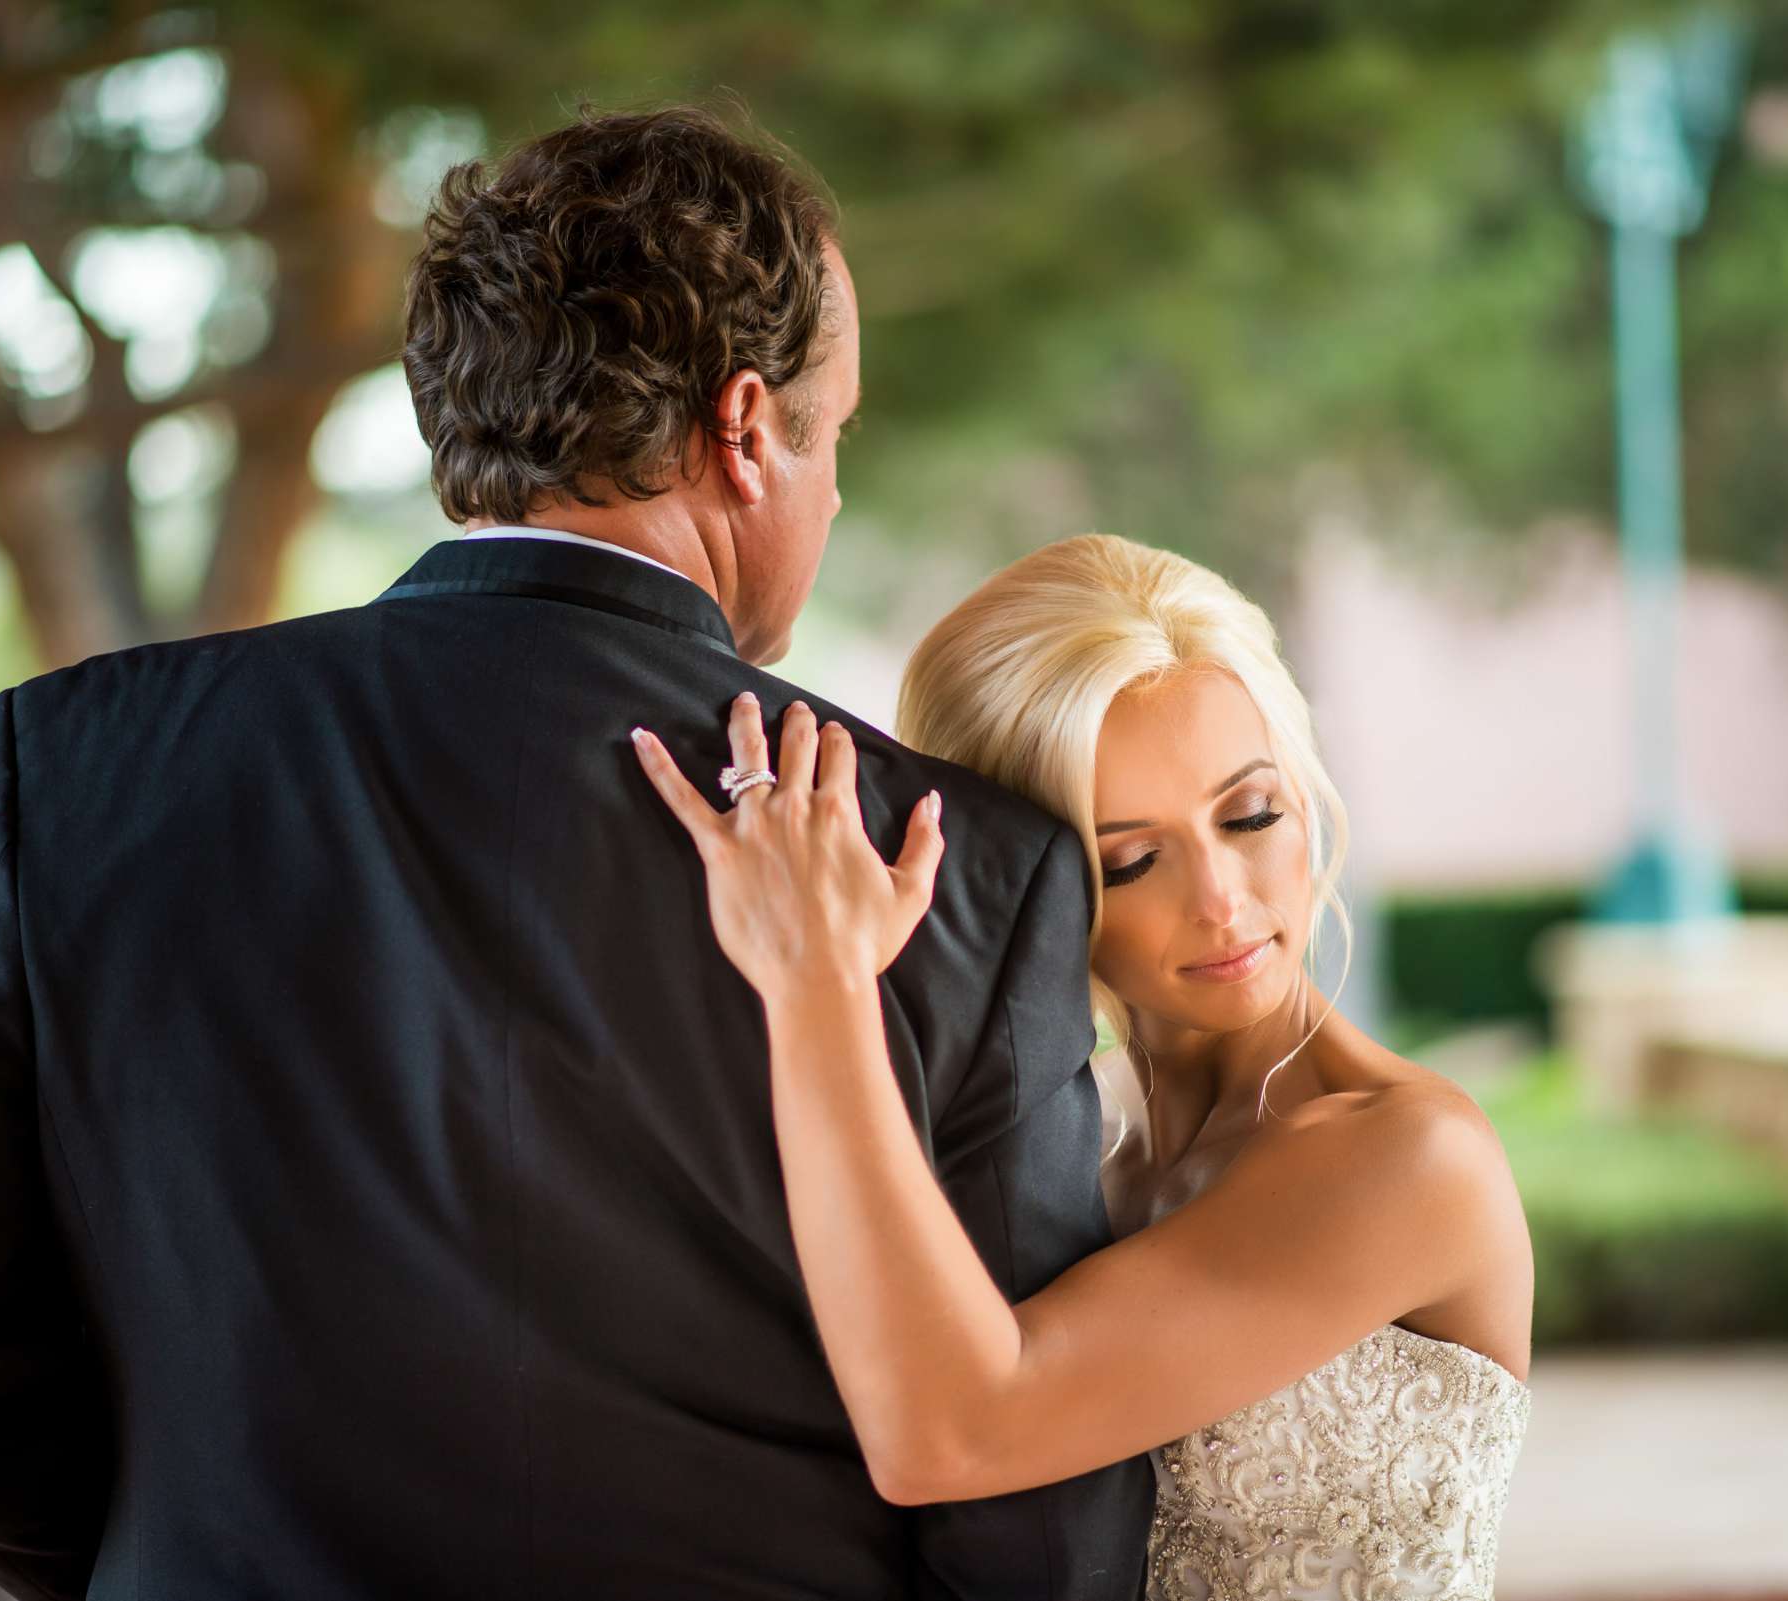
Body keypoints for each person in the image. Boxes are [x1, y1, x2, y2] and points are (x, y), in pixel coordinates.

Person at [0, 106, 1149, 1597]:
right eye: (834, 433)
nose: (832, 488)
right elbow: (1034, 1526)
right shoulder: (957, 862)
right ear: (747, 429)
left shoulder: (74, 775)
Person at [632, 533, 1535, 1600]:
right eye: (1132, 859)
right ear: (1025, 874)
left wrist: (817, 978)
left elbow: (955, 1433)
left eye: (1251, 814)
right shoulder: (1072, 1131)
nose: (1222, 898)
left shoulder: (1407, 1156)